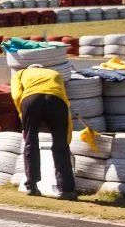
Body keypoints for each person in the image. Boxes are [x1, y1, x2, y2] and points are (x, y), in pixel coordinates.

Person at [12, 63, 77, 200]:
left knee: (31, 142)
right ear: (42, 69)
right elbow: (64, 98)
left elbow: (16, 94)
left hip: (31, 100)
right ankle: (66, 190)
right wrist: (67, 136)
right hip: (57, 101)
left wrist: (23, 119)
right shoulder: (54, 73)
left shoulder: (21, 73)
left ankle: (32, 187)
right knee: (61, 146)